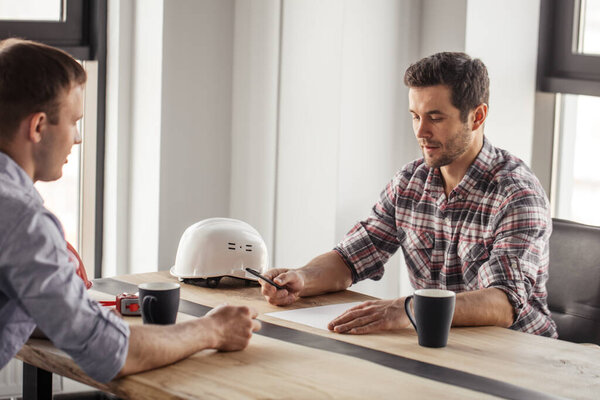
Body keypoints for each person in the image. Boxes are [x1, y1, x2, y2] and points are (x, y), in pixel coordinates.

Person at [0, 38, 261, 384]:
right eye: (74, 121)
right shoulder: (24, 221)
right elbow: (110, 353)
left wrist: (67, 304)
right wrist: (213, 330)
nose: (77, 139)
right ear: (37, 127)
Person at [261, 52, 557, 338]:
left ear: (477, 117)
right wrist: (302, 278)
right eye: (415, 116)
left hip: (519, 356)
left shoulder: (517, 194)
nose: (420, 131)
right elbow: (351, 258)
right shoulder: (409, 182)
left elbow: (503, 304)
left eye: (435, 118)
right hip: (441, 348)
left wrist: (408, 309)